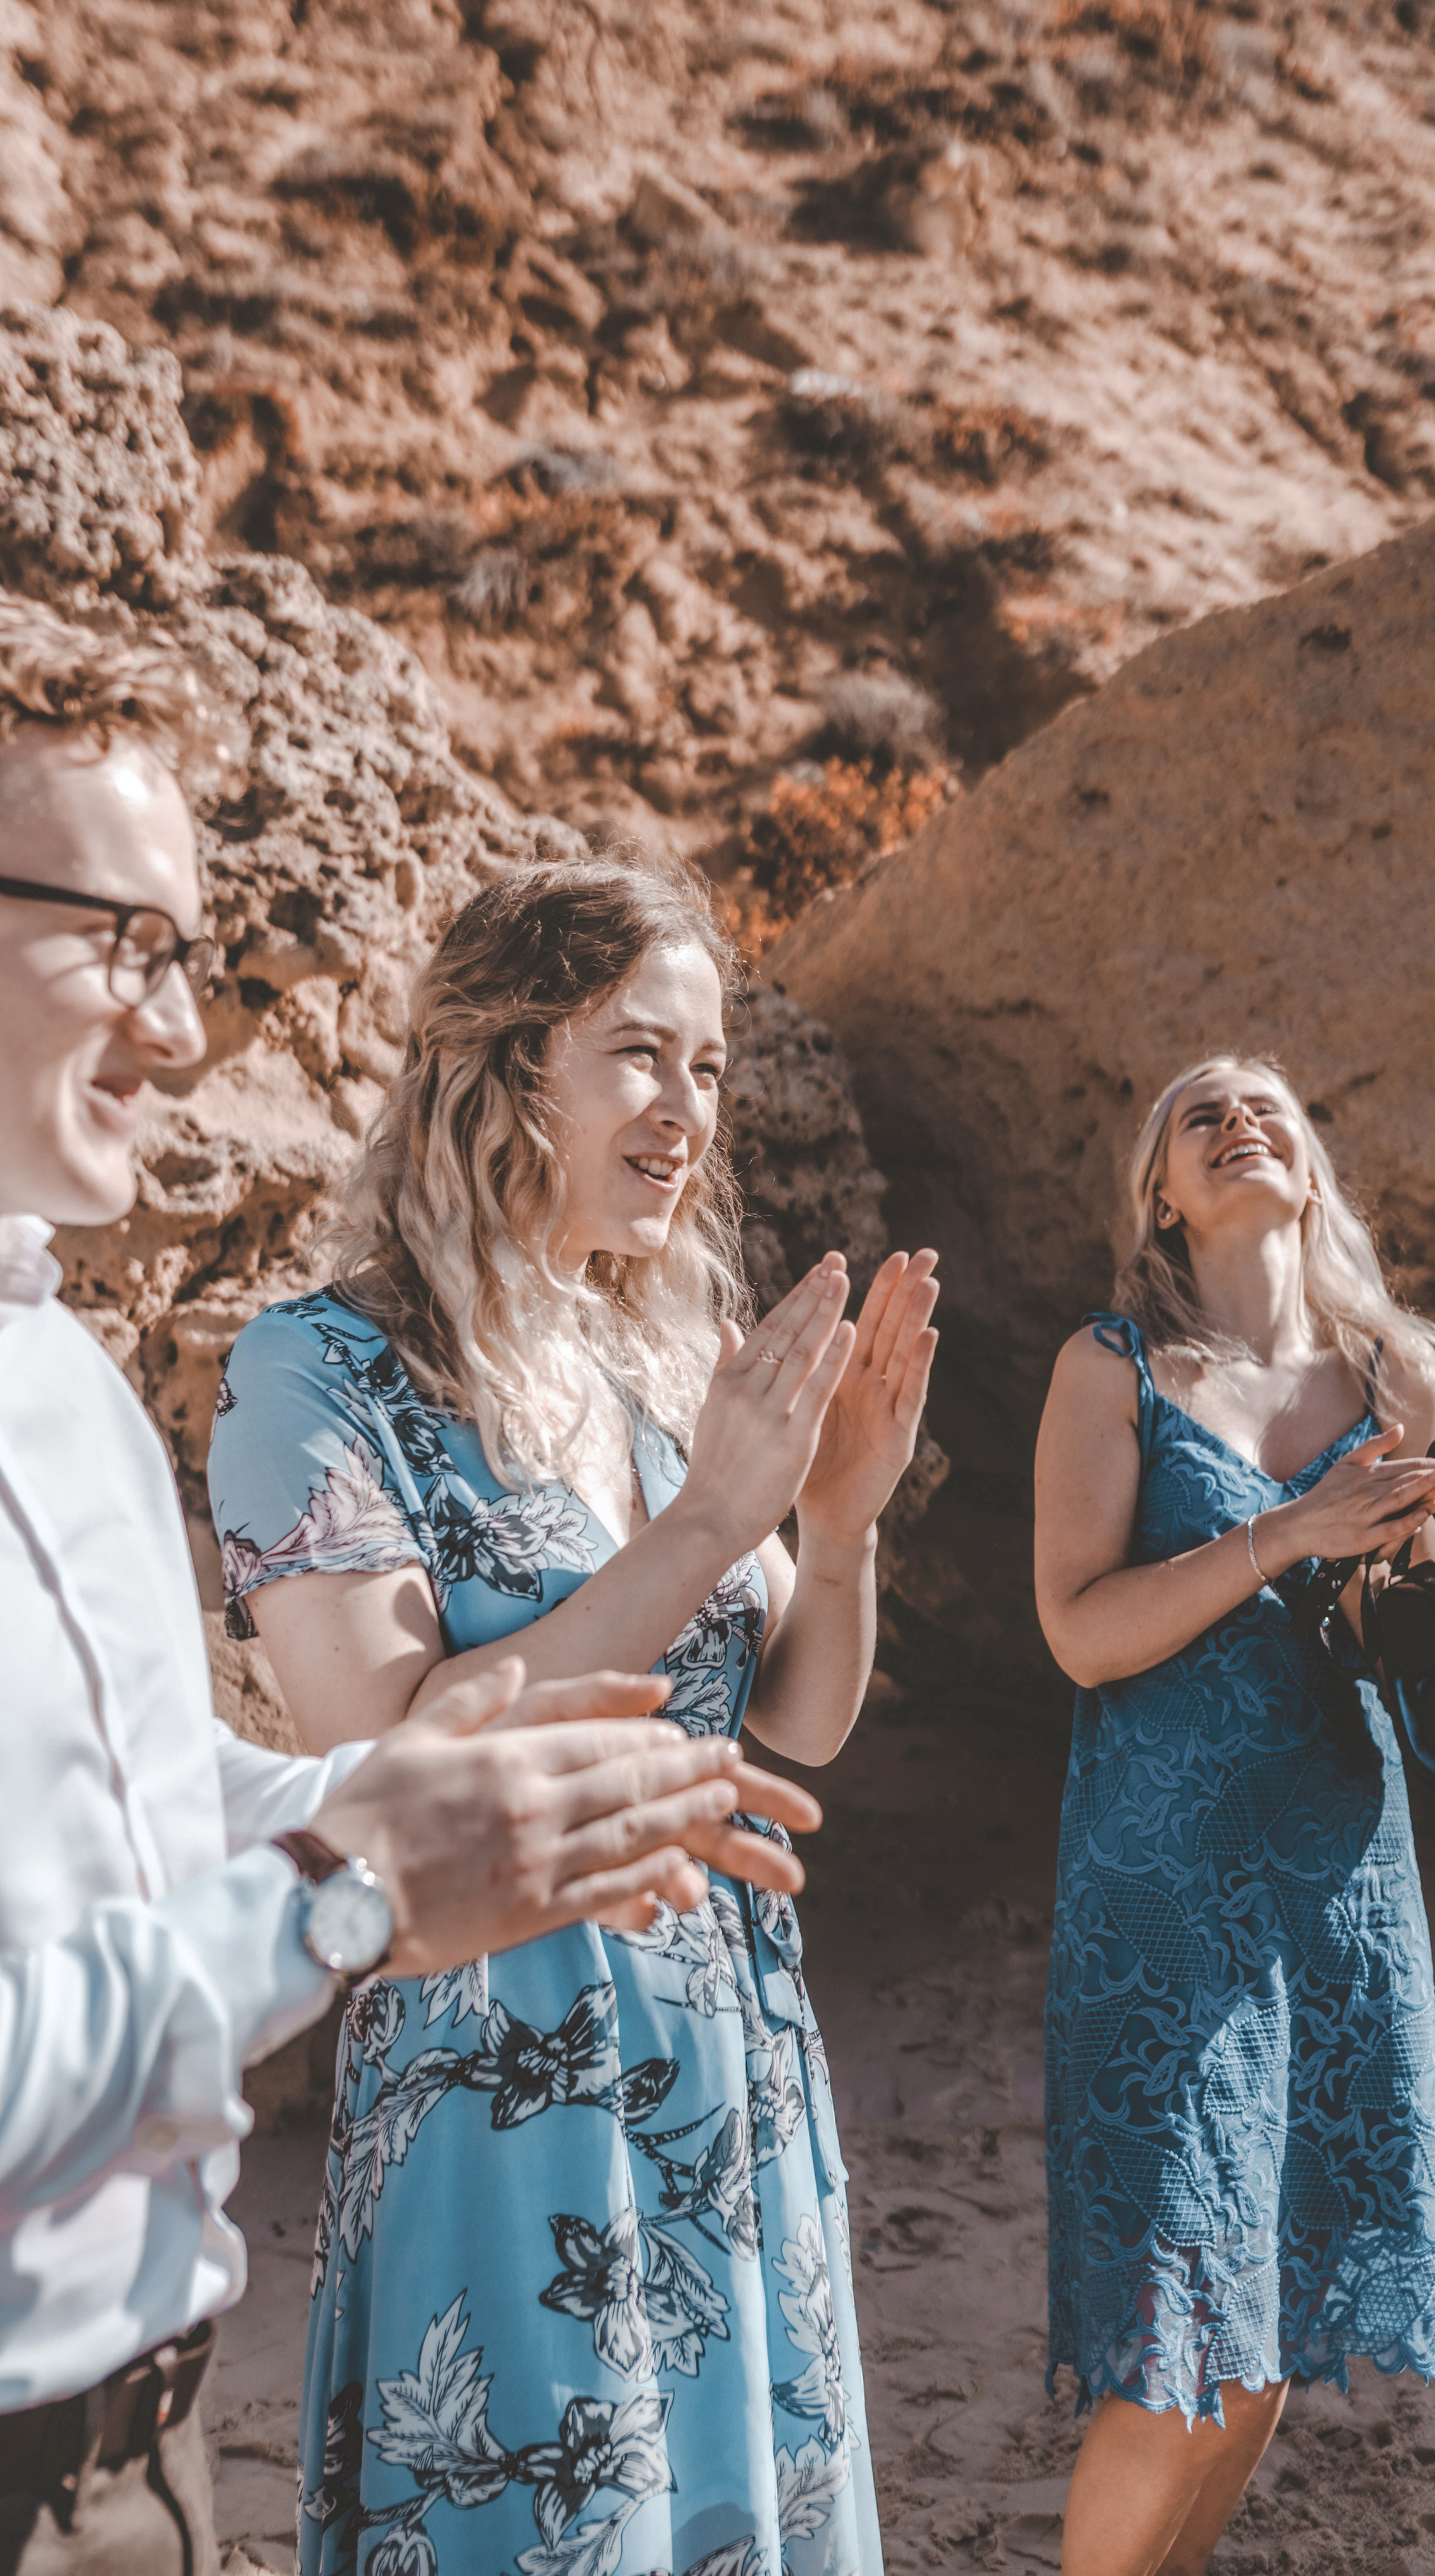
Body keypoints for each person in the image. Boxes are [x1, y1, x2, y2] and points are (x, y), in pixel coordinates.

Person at [0, 596, 822, 2576]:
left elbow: (163, 1814)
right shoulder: (310, 1368)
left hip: (145, 2454)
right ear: (515, 1068)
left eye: (191, 957)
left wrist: (422, 1810)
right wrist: (356, 1881)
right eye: (126, 942)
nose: (188, 1030)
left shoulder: (70, 1394)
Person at [205, 852, 940, 2576]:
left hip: (731, 2056)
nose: (688, 1108)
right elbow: (392, 1748)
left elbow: (803, 1722)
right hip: (499, 2074)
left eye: (707, 1066)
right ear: (508, 1061)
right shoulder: (311, 1375)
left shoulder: (657, 1374)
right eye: (638, 1054)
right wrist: (706, 1530)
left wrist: (829, 1526)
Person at [1034, 1054, 1435, 2576]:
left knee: (1273, 2337)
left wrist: (1398, 1575)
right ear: (1159, 1197)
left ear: (1310, 1163)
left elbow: (1377, 1642)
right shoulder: (1111, 1368)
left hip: (1336, 1880)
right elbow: (1080, 1634)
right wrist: (1293, 1528)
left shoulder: (1389, 1379)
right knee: (1183, 2343)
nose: (1235, 1120)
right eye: (1195, 1114)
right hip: (1163, 1886)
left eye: (1263, 1103)